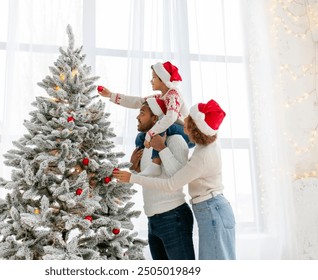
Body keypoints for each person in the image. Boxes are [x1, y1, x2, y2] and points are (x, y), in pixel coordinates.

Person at [114, 99, 236, 260]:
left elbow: (173, 181)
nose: (183, 121)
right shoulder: (202, 139)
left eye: (142, 113)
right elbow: (152, 174)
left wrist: (134, 177)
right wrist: (135, 168)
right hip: (156, 218)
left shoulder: (189, 150)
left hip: (185, 214)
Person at [98, 61, 194, 176]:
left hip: (187, 133)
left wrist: (151, 133)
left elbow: (171, 117)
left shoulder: (173, 94)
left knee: (161, 125)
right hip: (171, 127)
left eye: (153, 77)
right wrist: (111, 95)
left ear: (163, 79)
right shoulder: (159, 97)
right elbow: (138, 101)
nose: (151, 80)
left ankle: (155, 163)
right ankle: (138, 165)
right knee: (140, 137)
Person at [126, 102, 195, 260]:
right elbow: (149, 177)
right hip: (153, 219)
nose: (137, 117)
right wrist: (134, 168)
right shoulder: (145, 143)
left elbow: (177, 177)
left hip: (173, 217)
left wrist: (162, 148)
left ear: (155, 118)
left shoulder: (176, 139)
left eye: (142, 113)